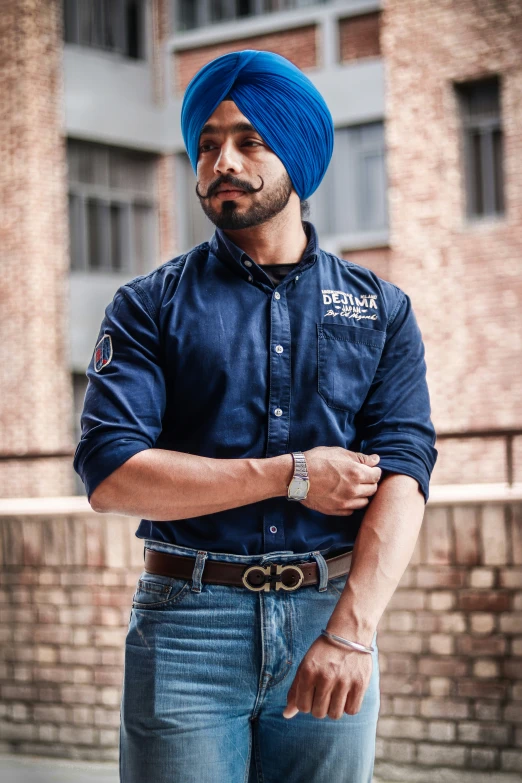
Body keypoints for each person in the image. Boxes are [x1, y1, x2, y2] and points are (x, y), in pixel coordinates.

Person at [74, 50, 437, 783]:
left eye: (248, 140)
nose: (221, 162)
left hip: (330, 618)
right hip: (187, 626)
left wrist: (353, 631)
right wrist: (293, 475)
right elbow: (112, 473)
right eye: (206, 145)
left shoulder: (380, 309)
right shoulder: (148, 305)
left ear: (297, 153)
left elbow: (406, 471)